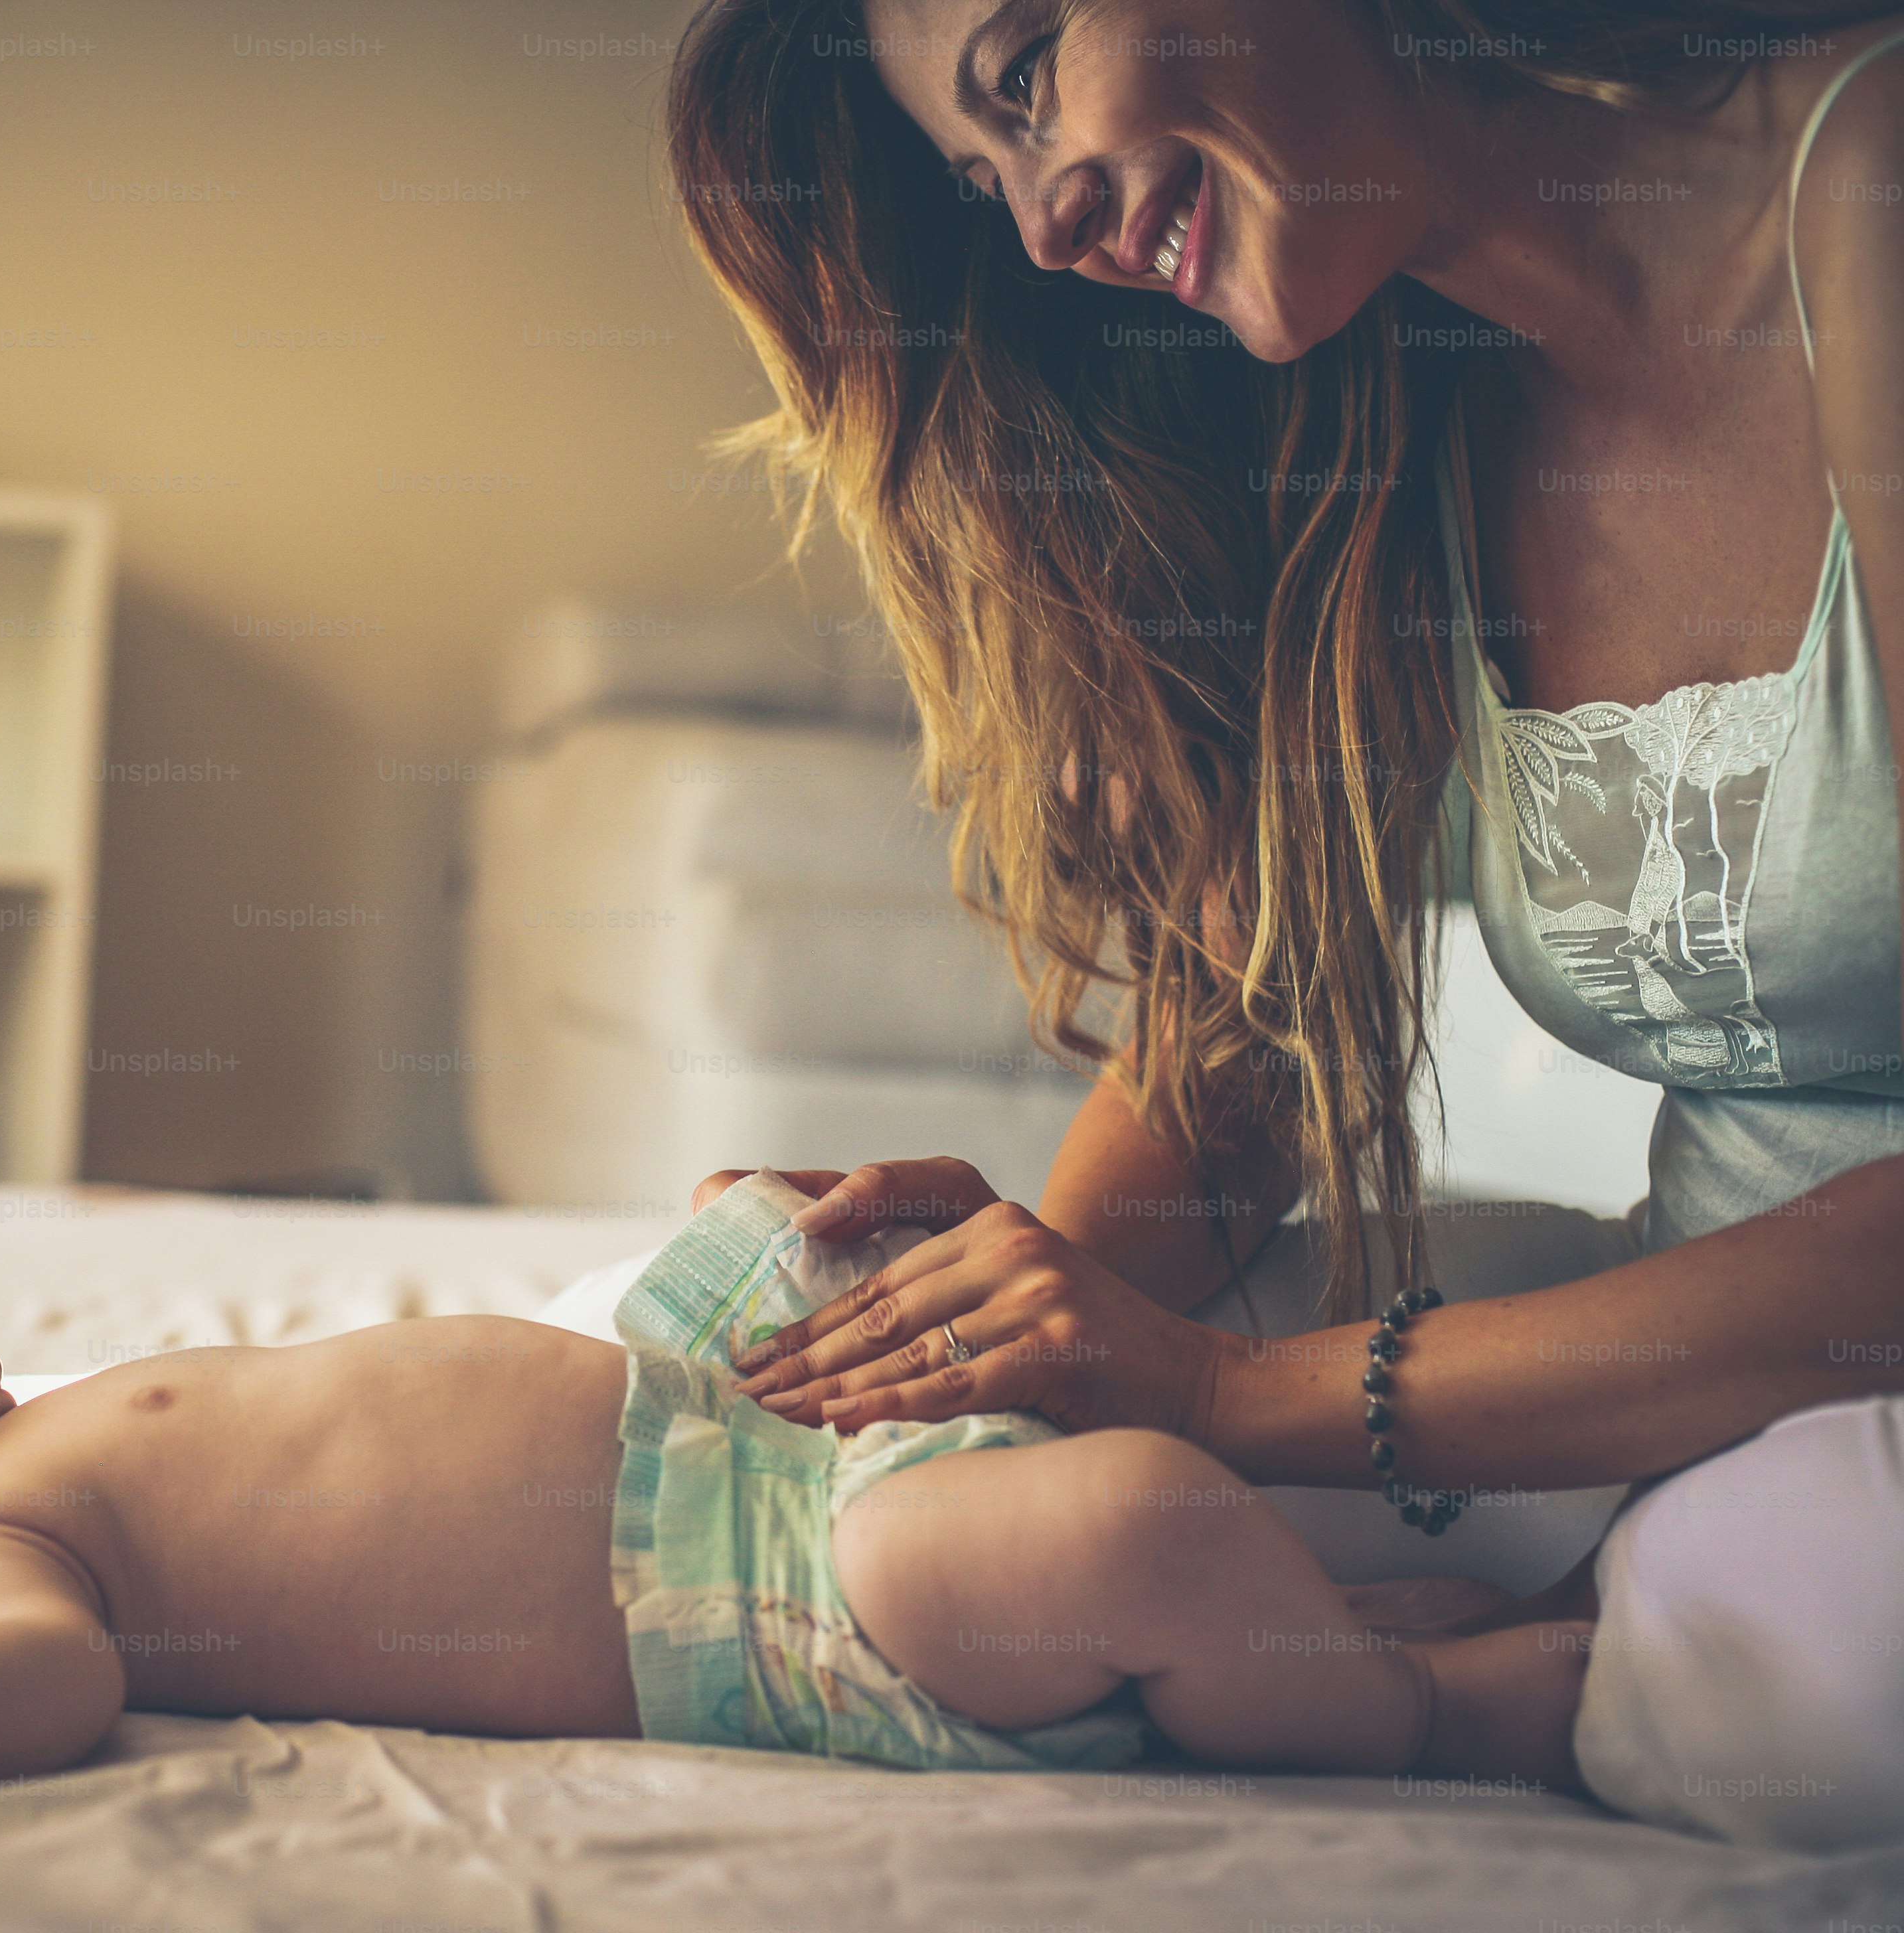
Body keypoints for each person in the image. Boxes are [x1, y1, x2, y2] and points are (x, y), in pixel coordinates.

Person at [659, 0, 1904, 1849]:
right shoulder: (1401, 388)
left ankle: (1509, 1679)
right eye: (979, 176)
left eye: (1025, 79)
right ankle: (1506, 1657)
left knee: (1837, 1653)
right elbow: (1238, 1040)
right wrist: (992, 1353)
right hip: (1684, 1353)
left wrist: (1233, 1390)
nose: (1037, 229)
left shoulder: (1868, 196)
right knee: (847, 1472)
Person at [0, 1190, 1585, 1798]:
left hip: (743, 1449)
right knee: (1118, 1533)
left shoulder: (6, 1440)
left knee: (802, 1234)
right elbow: (32, 1688)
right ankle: (1425, 1717)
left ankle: (1301, 1638)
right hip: (796, 1606)